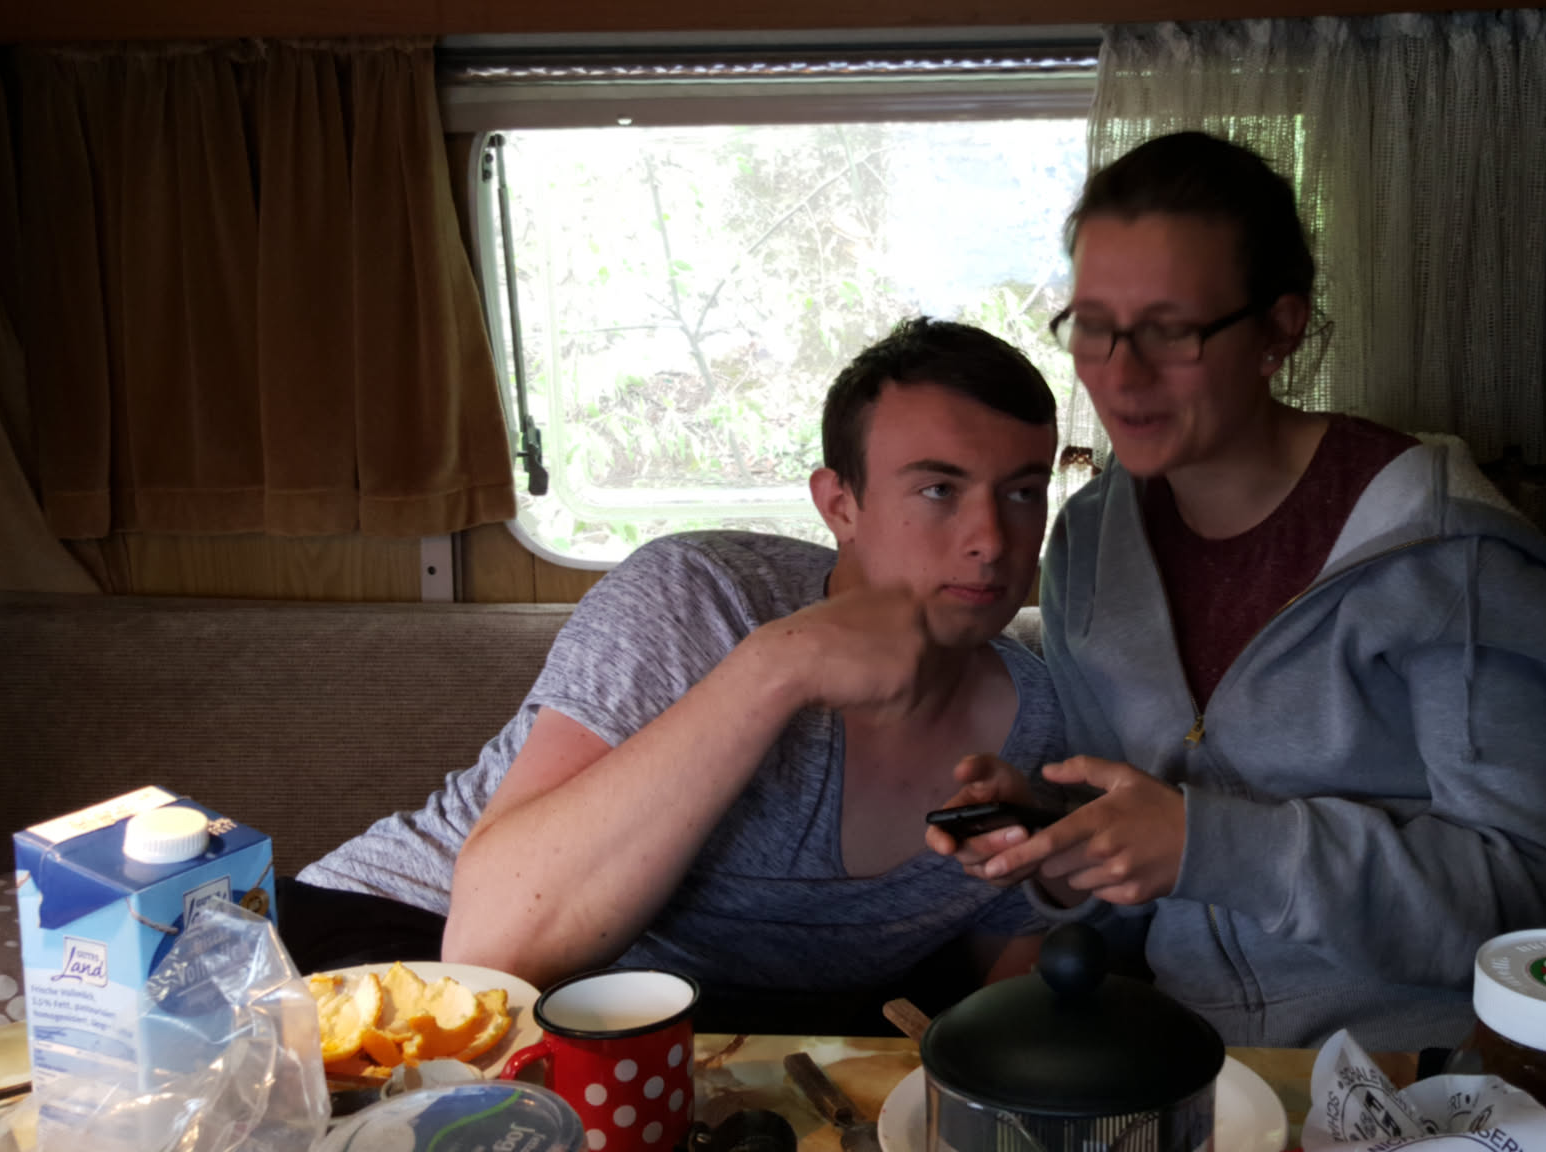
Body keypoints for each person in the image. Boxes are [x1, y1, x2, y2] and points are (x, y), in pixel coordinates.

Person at [932, 131, 1546, 1051]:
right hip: (1193, 1065)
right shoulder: (1089, 545)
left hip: (1423, 1067)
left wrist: (1210, 845)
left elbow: (1533, 906)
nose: (1120, 375)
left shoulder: (1440, 556)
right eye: (1094, 325)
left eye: (1172, 328)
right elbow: (1142, 890)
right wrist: (1054, 842)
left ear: (1280, 330)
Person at [291, 318, 1064, 1029]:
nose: (992, 540)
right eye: (939, 490)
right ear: (839, 504)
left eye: (1023, 492)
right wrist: (777, 669)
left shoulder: (1038, 718)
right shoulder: (701, 598)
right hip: (389, 950)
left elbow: (1010, 979)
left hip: (674, 1045)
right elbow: (493, 949)